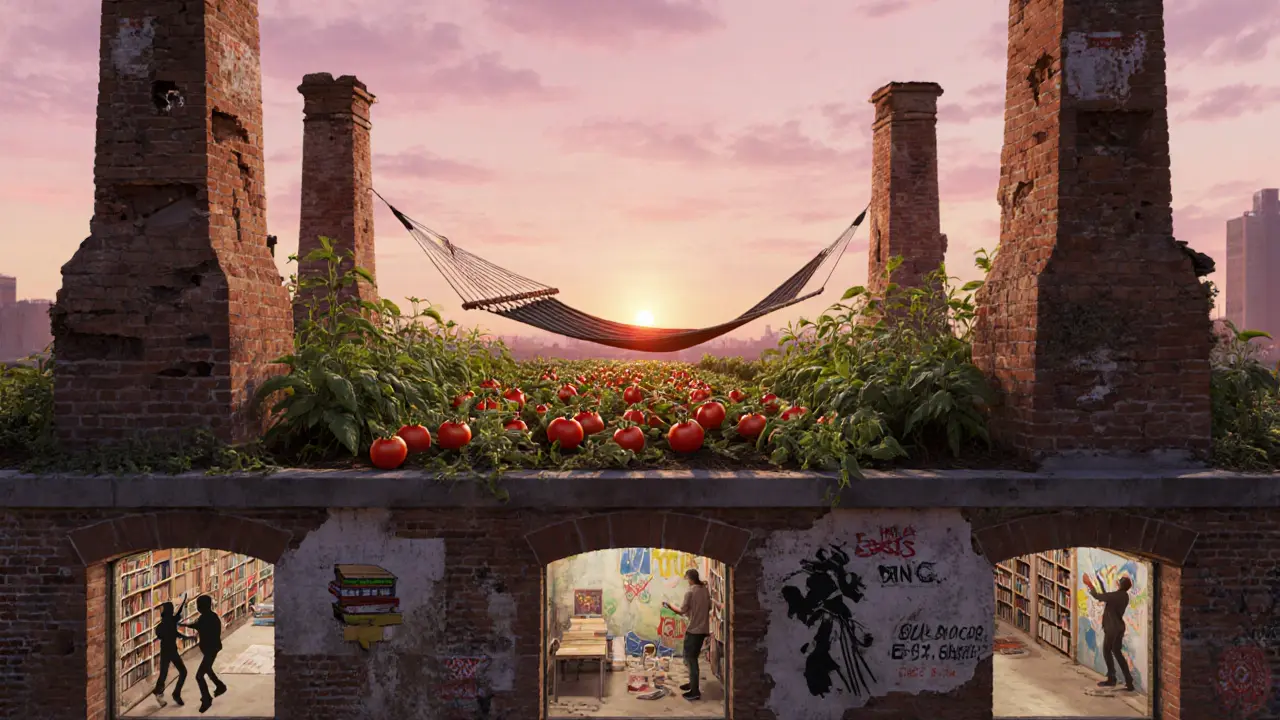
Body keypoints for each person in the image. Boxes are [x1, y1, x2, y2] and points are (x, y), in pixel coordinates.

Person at [662, 568, 712, 701]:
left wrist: (669, 605)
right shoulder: (705, 590)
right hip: (703, 630)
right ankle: (692, 684)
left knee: (690, 660)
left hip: (694, 630)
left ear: (690, 579)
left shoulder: (690, 592)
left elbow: (682, 611)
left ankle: (695, 691)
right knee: (692, 658)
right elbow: (709, 607)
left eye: (687, 579)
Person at [1083, 573, 1134, 691]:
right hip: (1119, 627)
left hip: (1111, 627)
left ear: (1120, 585)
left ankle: (1112, 678)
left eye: (1119, 581)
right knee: (1117, 652)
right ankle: (1129, 680)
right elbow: (1107, 596)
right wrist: (1100, 582)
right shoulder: (1124, 596)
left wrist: (1089, 584)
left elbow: (1097, 596)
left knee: (1106, 651)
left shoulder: (1116, 595)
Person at [182, 595, 227, 712]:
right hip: (212, 649)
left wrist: (183, 625)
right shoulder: (212, 616)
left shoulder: (204, 619)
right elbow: (197, 625)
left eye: (198, 606)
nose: (197, 608)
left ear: (202, 607)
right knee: (208, 669)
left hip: (210, 650)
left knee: (199, 676)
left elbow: (197, 625)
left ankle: (206, 699)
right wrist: (185, 624)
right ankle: (220, 686)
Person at [153, 595, 193, 707]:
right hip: (171, 651)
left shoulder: (162, 625)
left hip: (166, 651)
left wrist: (184, 601)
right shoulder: (171, 621)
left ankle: (159, 692)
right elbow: (176, 631)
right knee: (183, 672)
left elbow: (163, 635)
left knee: (164, 674)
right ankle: (175, 693)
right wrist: (183, 602)